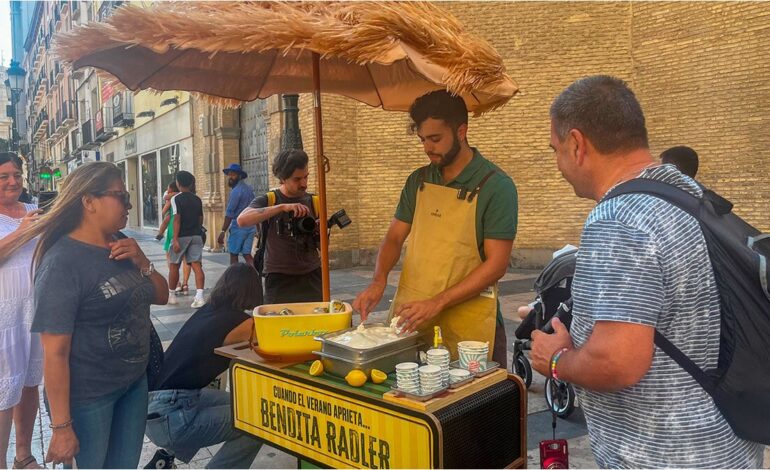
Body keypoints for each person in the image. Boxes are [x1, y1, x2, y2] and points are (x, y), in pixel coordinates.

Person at [530, 75, 764, 468]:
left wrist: (556, 359)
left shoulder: (618, 219)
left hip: (662, 455)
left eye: (555, 149)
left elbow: (617, 362)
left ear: (577, 143)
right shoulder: (687, 195)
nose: (558, 163)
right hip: (725, 445)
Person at [0, 161, 169, 468]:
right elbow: (55, 353)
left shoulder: (122, 245)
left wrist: (143, 261)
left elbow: (162, 295)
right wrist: (62, 428)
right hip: (89, 397)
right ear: (88, 201)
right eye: (120, 195)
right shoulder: (62, 263)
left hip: (133, 385)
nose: (129, 203)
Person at [353, 90, 518, 367]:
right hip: (413, 318)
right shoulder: (418, 180)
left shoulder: (496, 186)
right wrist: (378, 280)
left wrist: (438, 302)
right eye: (422, 140)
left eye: (435, 139)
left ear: (462, 131)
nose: (427, 148)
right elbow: (394, 237)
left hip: (471, 326)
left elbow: (497, 264)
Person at [144, 263, 263, 468]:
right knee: (257, 420)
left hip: (154, 405)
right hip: (171, 415)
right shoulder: (242, 323)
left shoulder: (209, 309)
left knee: (235, 401)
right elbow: (273, 338)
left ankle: (164, 458)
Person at [0, 153, 43, 469]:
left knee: (30, 383)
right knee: (4, 391)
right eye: (3, 176)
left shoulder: (34, 211)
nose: (13, 181)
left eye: (17, 174)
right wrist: (23, 231)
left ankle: (23, 455)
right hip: (4, 315)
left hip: (36, 309)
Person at [238, 150, 322, 304]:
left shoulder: (315, 201)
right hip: (279, 277)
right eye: (297, 179)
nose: (304, 183)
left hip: (312, 275)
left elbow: (322, 246)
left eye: (306, 177)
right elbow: (242, 220)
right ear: (282, 178)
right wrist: (282, 207)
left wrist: (321, 232)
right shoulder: (270, 199)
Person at [168, 171, 206, 308]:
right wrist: (197, 230)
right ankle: (200, 296)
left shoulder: (176, 199)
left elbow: (176, 219)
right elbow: (200, 219)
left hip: (182, 236)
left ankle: (171, 295)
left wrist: (175, 239)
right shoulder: (197, 199)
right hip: (196, 235)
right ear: (191, 183)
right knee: (197, 265)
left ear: (178, 183)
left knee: (174, 265)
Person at [156, 182, 191, 296]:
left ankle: (176, 284)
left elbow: (163, 212)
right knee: (186, 258)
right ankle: (185, 284)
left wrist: (169, 199)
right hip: (186, 229)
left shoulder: (173, 198)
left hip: (173, 229)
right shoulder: (188, 197)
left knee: (171, 258)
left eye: (168, 189)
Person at [217, 164, 256, 265]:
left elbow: (229, 213)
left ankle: (234, 279)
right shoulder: (249, 189)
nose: (230, 177)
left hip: (238, 227)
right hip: (250, 227)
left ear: (239, 176)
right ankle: (256, 277)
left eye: (233, 174)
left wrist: (222, 231)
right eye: (229, 174)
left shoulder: (236, 191)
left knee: (233, 255)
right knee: (247, 254)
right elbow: (254, 208)